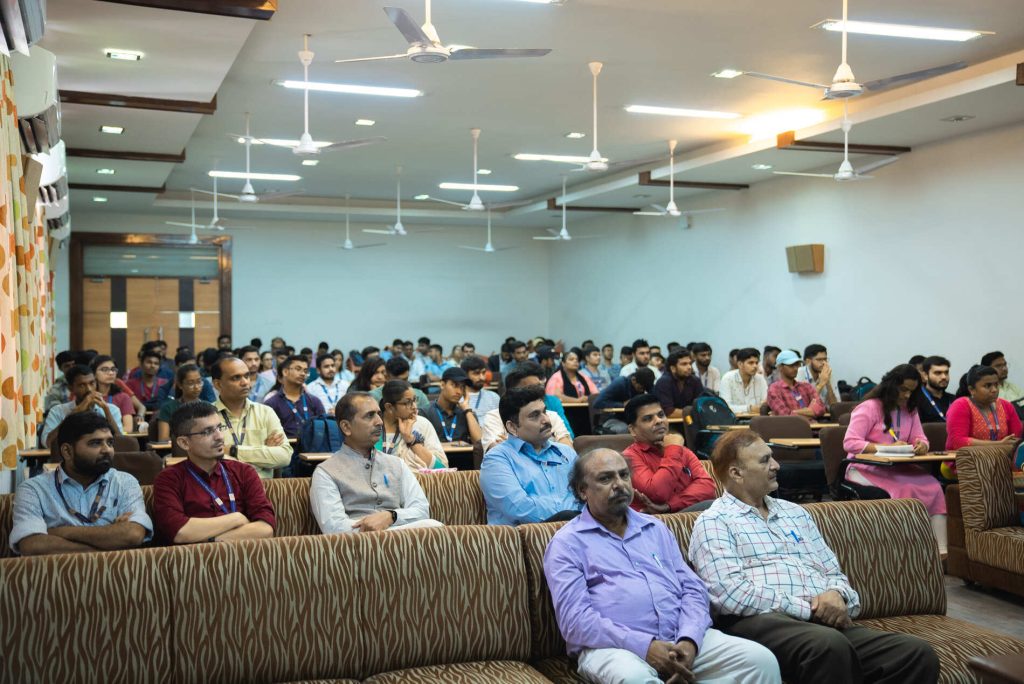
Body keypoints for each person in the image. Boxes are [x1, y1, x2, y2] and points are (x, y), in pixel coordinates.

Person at [689, 430, 939, 684]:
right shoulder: (714, 522)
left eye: (772, 458)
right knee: (828, 646)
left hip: (821, 624)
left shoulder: (795, 513)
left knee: (915, 654)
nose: (776, 465)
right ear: (736, 473)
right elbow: (730, 595)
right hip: (758, 621)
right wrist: (811, 608)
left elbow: (832, 572)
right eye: (765, 460)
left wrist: (838, 596)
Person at [544, 448, 781, 684]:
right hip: (612, 648)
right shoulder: (567, 543)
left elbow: (693, 589)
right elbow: (575, 622)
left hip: (679, 636)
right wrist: (645, 646)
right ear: (582, 490)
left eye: (624, 475)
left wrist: (689, 639)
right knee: (634, 678)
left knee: (759, 661)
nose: (619, 484)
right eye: (605, 478)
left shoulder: (655, 528)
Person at [10, 411, 152, 556]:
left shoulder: (125, 482)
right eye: (95, 443)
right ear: (67, 451)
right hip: (56, 576)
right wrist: (113, 541)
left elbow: (133, 534)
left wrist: (59, 532)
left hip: (114, 575)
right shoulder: (33, 489)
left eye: (109, 442)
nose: (107, 450)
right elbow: (32, 545)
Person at [843, 364, 946, 555]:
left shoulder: (910, 410)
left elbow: (921, 438)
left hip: (896, 468)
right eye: (903, 389)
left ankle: (940, 551)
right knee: (902, 489)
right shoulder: (869, 407)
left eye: (912, 391)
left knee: (933, 486)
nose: (907, 395)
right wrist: (884, 448)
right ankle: (902, 551)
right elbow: (850, 443)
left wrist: (922, 445)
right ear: (891, 385)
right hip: (864, 467)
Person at [308, 392, 443, 534]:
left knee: (434, 527)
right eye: (369, 415)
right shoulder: (326, 472)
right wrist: (374, 527)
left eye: (379, 414)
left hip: (405, 540)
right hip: (357, 546)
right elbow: (334, 528)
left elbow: (422, 510)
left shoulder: (397, 464)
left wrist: (391, 516)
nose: (379, 421)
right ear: (346, 427)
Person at [153, 401, 276, 545]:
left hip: (244, 559)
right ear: (184, 443)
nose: (219, 437)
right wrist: (236, 518)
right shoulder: (169, 479)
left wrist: (211, 541)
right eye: (207, 432)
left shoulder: (244, 472)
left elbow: (266, 528)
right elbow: (179, 532)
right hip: (194, 562)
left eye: (219, 427)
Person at [480, 386, 581, 525]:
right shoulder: (497, 459)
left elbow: (587, 494)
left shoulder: (566, 452)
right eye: (534, 416)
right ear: (512, 427)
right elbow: (520, 509)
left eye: (544, 412)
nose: (545, 419)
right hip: (525, 540)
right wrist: (574, 518)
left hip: (576, 533)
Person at [623, 394, 717, 513]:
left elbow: (708, 487)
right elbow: (657, 493)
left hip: (685, 516)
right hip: (655, 522)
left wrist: (669, 505)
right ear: (632, 430)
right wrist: (672, 450)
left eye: (661, 415)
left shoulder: (681, 450)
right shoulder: (629, 457)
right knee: (714, 507)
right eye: (648, 419)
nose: (658, 421)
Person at [210, 357, 292, 479]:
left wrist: (233, 450)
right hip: (221, 487)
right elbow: (209, 459)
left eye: (247, 376)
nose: (245, 382)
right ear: (218, 384)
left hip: (262, 487)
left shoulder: (265, 412)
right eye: (236, 378)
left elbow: (285, 456)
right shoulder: (206, 416)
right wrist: (265, 452)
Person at [481, 365, 573, 452]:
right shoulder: (494, 417)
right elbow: (499, 452)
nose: (538, 391)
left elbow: (567, 451)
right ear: (513, 391)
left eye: (539, 386)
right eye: (531, 388)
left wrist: (513, 445)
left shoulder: (550, 416)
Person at [41, 365, 123, 447]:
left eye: (92, 383)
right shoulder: (57, 411)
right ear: (71, 388)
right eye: (82, 385)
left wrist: (107, 411)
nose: (89, 389)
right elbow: (47, 443)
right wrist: (75, 412)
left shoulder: (111, 409)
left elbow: (121, 443)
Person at [946, 365, 1023, 450]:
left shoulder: (1006, 406)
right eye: (987, 386)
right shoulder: (961, 405)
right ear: (972, 390)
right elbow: (957, 442)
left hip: (1002, 460)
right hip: (964, 461)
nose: (994, 390)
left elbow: (1017, 438)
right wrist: (998, 444)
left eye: (996, 385)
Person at [378, 379, 448, 470]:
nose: (414, 407)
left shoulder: (422, 424)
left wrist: (411, 441)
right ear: (389, 407)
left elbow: (442, 468)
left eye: (414, 400)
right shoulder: (374, 428)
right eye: (407, 403)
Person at [263, 355, 326, 439]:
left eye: (305, 371)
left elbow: (324, 429)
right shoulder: (271, 403)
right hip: (284, 449)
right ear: (285, 372)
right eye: (298, 369)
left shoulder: (314, 401)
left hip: (312, 449)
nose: (303, 373)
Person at [423, 367, 482, 447]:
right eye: (454, 385)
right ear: (442, 384)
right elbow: (422, 445)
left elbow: (479, 442)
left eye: (462, 387)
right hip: (436, 458)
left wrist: (467, 409)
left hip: (463, 458)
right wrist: (454, 444)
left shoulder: (467, 414)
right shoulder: (425, 412)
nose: (459, 392)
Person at [766, 349, 826, 419]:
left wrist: (794, 412)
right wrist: (810, 412)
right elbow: (785, 416)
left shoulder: (806, 386)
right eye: (791, 365)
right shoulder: (774, 389)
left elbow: (821, 408)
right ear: (780, 367)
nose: (795, 368)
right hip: (790, 429)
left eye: (797, 364)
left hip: (813, 427)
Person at [157, 363, 209, 441]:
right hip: (177, 451)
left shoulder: (208, 407)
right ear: (180, 385)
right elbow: (163, 439)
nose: (196, 387)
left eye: (199, 382)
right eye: (191, 383)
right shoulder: (168, 408)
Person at [653, 349, 704, 418]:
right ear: (673, 368)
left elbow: (702, 406)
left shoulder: (695, 380)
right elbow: (668, 412)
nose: (689, 367)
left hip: (692, 422)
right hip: (670, 425)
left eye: (690, 363)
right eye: (684, 364)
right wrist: (695, 412)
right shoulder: (663, 382)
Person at [90, 355, 135, 433]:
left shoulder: (123, 397)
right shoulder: (88, 397)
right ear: (93, 374)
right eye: (104, 369)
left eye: (113, 369)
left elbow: (128, 428)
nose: (111, 373)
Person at [719, 348, 768, 414]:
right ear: (740, 364)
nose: (755, 366)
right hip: (734, 421)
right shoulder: (727, 378)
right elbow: (725, 406)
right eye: (751, 363)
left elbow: (765, 404)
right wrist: (749, 408)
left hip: (757, 420)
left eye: (756, 363)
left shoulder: (760, 379)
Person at [916, 355, 955, 424]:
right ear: (925, 376)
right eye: (938, 373)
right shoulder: (916, 400)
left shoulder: (955, 399)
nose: (944, 377)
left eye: (946, 372)